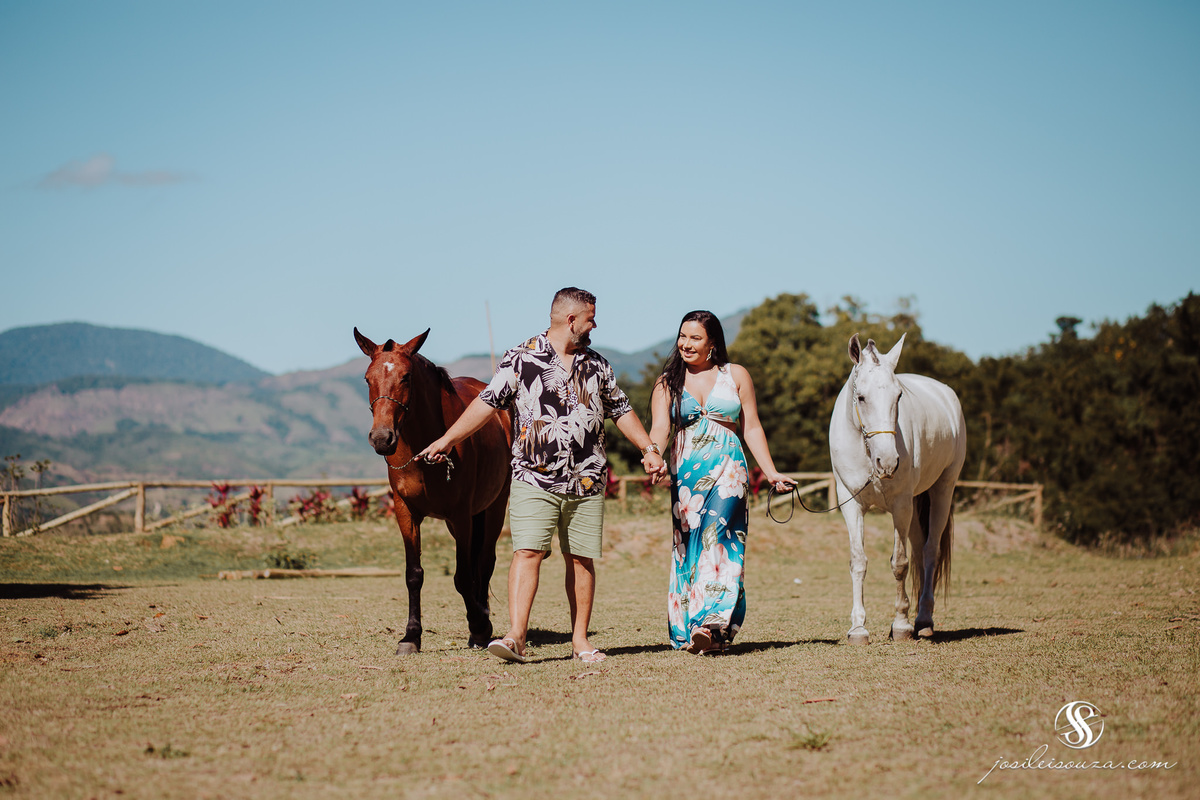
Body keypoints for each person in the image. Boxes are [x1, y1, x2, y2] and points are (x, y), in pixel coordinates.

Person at [418, 287, 666, 664]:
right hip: (534, 477)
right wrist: (449, 439)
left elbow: (622, 410)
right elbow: (486, 404)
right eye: (591, 318)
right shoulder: (520, 358)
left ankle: (581, 641)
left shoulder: (597, 365)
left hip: (587, 478)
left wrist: (648, 449)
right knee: (527, 552)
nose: (594, 325)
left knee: (581, 559)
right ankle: (515, 636)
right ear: (572, 320)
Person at [648, 310, 796, 655]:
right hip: (686, 475)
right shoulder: (667, 381)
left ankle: (709, 621)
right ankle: (699, 631)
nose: (686, 344)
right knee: (689, 546)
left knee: (721, 542)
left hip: (729, 471)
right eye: (682, 336)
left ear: (712, 343)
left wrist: (770, 472)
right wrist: (652, 454)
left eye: (695, 338)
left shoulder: (736, 375)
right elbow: (659, 428)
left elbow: (753, 427)